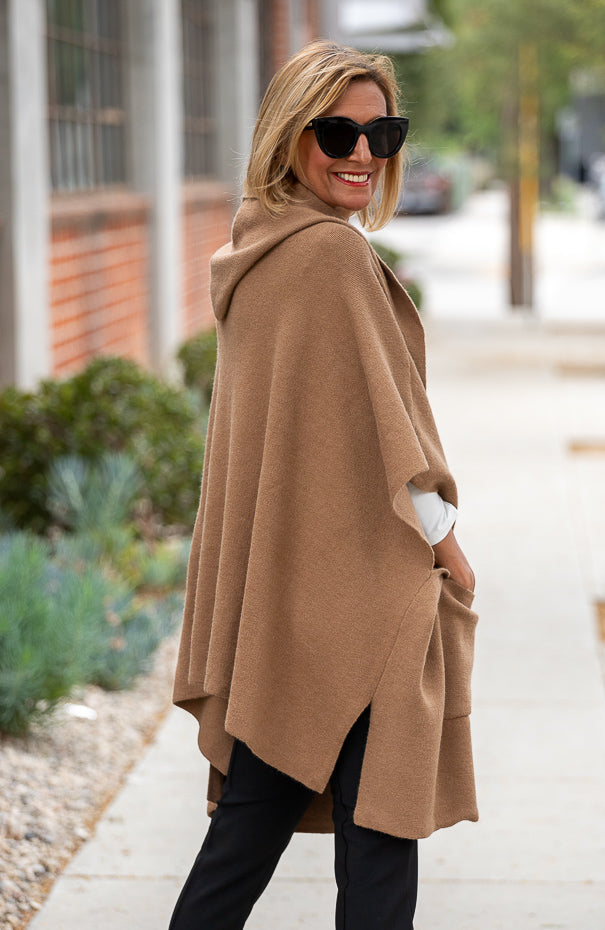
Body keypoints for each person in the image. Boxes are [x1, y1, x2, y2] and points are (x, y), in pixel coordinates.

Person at [170, 39, 478, 930]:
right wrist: (451, 551)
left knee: (247, 832)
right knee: (378, 839)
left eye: (382, 133)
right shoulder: (330, 258)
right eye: (337, 132)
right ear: (289, 137)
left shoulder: (257, 251)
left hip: (287, 607)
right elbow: (393, 440)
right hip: (365, 599)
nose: (362, 154)